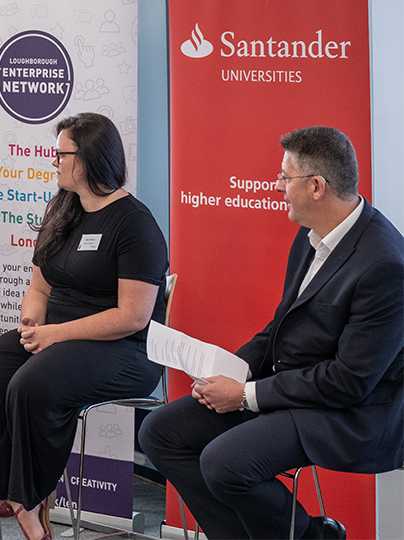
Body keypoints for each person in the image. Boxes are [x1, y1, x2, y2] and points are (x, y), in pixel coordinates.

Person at [138, 126, 404, 540]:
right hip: (294, 387)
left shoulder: (385, 264)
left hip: (350, 412)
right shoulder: (310, 235)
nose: (277, 186)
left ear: (317, 186)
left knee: (226, 462)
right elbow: (279, 326)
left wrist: (244, 395)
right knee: (161, 433)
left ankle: (314, 536)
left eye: (285, 177)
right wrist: (228, 370)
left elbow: (350, 382)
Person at [0, 112, 168, 540]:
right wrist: (32, 319)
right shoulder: (63, 210)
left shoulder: (135, 224)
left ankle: (27, 504)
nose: (54, 162)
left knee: (31, 385)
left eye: (60, 154)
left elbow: (133, 316)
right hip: (58, 335)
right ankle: (2, 484)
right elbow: (38, 286)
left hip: (123, 349)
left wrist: (52, 335)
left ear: (85, 161)